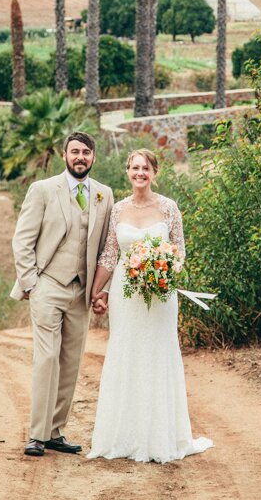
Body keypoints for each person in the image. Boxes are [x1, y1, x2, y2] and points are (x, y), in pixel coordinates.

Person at [87, 148, 213, 463]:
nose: (139, 173)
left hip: (160, 294)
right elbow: (109, 254)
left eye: (145, 168)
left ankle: (161, 437)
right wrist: (96, 291)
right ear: (127, 172)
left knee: (159, 354)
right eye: (134, 168)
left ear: (154, 172)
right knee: (125, 354)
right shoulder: (117, 209)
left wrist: (163, 269)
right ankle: (123, 436)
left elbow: (180, 251)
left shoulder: (169, 208)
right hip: (125, 295)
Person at [10, 131, 114, 457]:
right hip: (48, 286)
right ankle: (36, 435)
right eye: (74, 152)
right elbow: (23, 239)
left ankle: (56, 431)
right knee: (47, 358)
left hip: (82, 292)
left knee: (71, 362)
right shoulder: (42, 190)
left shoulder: (104, 194)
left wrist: (102, 290)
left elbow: (108, 249)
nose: (80, 157)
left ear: (93, 157)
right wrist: (31, 283)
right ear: (65, 156)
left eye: (85, 152)